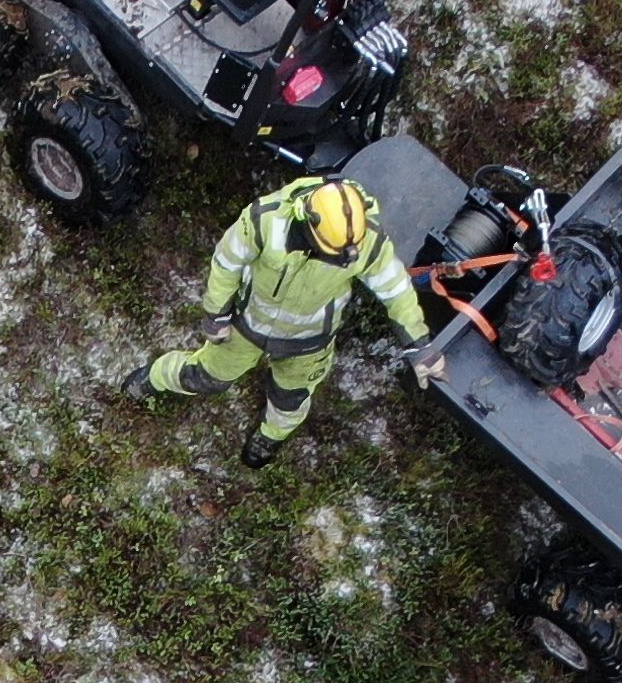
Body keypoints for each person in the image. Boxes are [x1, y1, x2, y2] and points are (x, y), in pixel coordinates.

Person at [143, 175, 427, 467]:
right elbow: (227, 263)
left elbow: (397, 290)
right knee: (205, 376)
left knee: (290, 400)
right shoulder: (264, 220)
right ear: (309, 225)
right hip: (247, 325)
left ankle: (270, 437)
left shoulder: (364, 239)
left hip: (309, 342)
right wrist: (217, 314)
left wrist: (418, 344)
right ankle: (152, 378)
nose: (344, 260)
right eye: (333, 254)